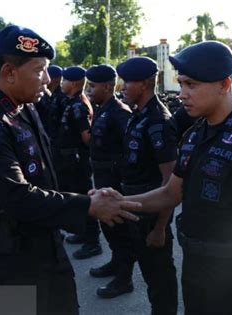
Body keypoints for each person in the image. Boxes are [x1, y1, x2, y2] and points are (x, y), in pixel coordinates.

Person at [104, 41, 232, 314]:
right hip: (195, 266)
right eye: (181, 83)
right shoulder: (196, 134)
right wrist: (120, 202)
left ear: (224, 84)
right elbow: (171, 193)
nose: (182, 94)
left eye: (192, 85)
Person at [0, 25, 140, 315]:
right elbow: (17, 197)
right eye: (39, 70)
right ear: (9, 72)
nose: (47, 78)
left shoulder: (21, 107)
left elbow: (45, 174)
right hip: (14, 256)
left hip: (43, 243)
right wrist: (88, 206)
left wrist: (84, 196)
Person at [114, 56, 179, 313]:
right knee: (150, 271)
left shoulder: (158, 121)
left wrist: (160, 228)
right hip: (136, 207)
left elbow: (170, 181)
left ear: (144, 84)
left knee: (160, 274)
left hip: (152, 214)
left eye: (127, 82)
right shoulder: (139, 114)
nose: (123, 87)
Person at [85, 64, 136, 298]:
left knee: (121, 231)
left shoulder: (119, 112)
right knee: (109, 228)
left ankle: (124, 279)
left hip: (114, 181)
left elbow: (129, 153)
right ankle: (115, 263)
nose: (88, 90)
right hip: (102, 176)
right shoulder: (103, 108)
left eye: (92, 86)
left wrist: (120, 185)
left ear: (107, 87)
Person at [52, 66, 102, 259]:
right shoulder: (72, 102)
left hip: (76, 161)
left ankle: (93, 242)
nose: (61, 83)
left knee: (84, 199)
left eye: (64, 80)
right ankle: (83, 233)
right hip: (67, 159)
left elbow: (87, 138)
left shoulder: (79, 105)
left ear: (72, 83)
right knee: (75, 198)